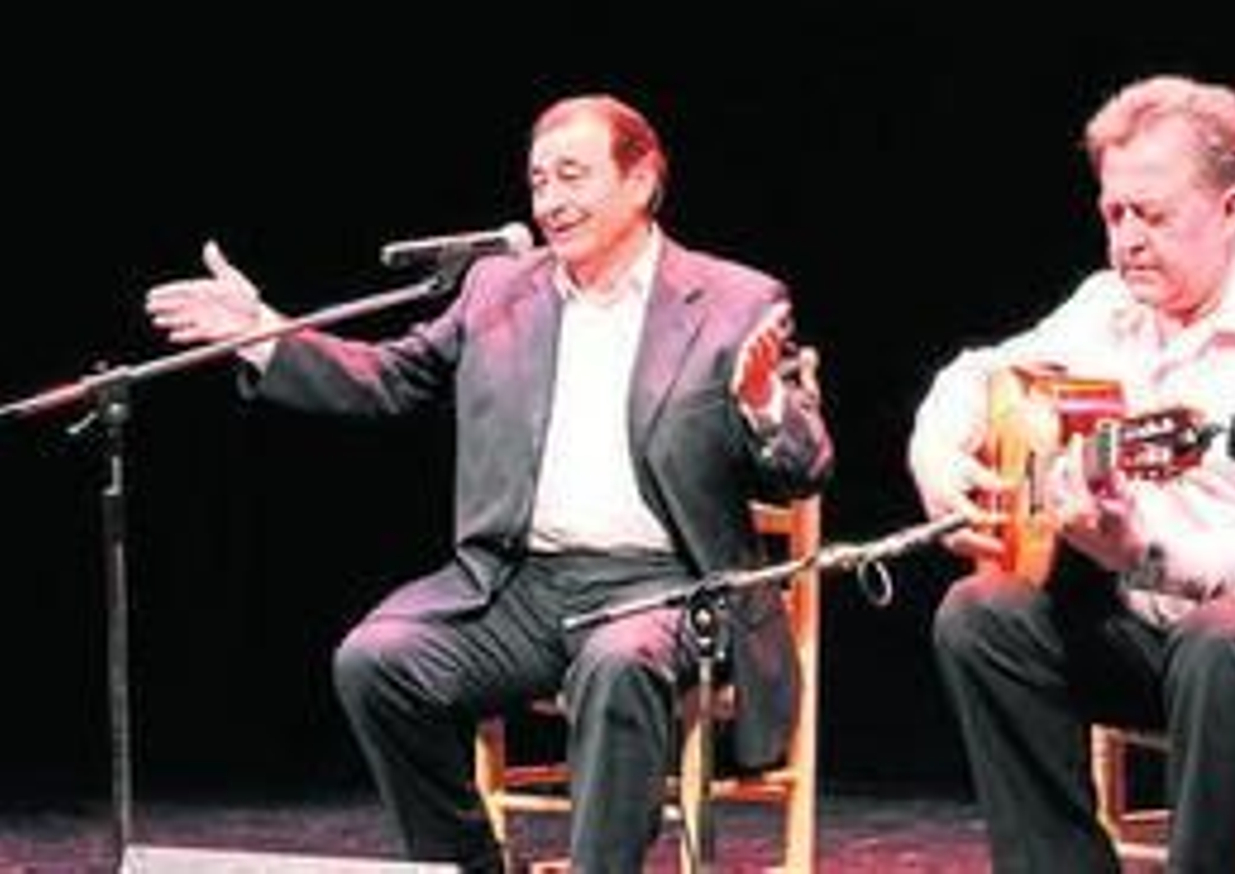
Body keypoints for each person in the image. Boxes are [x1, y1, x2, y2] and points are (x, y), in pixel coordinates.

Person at [145, 93, 833, 873]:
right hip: (520, 588)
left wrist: (761, 404)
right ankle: (471, 865)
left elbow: (804, 467)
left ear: (641, 182)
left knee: (618, 663)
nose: (550, 202)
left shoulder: (736, 299)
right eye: (539, 182)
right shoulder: (499, 288)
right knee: (377, 662)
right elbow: (389, 379)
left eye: (572, 176)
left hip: (671, 587)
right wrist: (266, 333)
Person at [906, 74, 1235, 872]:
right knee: (981, 614)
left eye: (1151, 214)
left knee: (1223, 642)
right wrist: (938, 452)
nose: (1127, 238)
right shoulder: (1105, 308)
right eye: (1113, 213)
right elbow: (979, 373)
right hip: (1171, 634)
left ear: (1231, 208)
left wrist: (1138, 548)